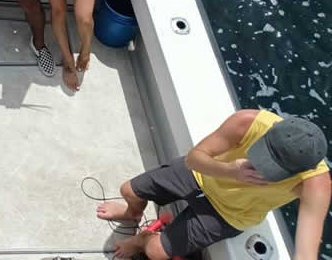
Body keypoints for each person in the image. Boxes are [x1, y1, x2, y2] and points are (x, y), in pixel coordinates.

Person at [96, 109, 330, 260]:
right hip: (203, 175)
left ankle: (142, 239)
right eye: (263, 155)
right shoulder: (248, 121)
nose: (261, 168)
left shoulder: (316, 185)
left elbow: (306, 253)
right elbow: (194, 158)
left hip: (230, 214)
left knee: (155, 252)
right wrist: (231, 171)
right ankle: (132, 214)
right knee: (128, 190)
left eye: (272, 168)